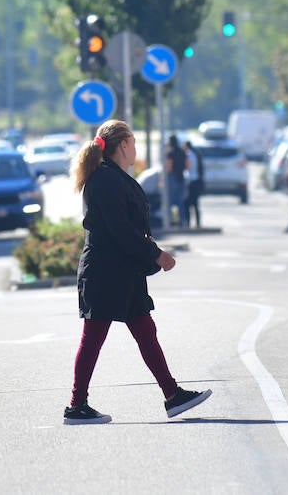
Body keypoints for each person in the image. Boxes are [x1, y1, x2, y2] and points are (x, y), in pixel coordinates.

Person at [63, 120, 211, 425]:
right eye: (133, 142)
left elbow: (128, 226)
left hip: (122, 272)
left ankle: (173, 395)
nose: (136, 149)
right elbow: (120, 230)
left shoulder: (114, 176)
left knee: (146, 332)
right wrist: (156, 255)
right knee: (93, 339)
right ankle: (76, 405)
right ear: (122, 145)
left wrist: (149, 252)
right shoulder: (104, 179)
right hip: (105, 273)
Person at [164, 133, 187, 228]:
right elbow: (187, 165)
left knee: (169, 201)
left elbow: (169, 168)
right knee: (180, 201)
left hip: (172, 177)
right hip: (181, 177)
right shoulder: (182, 152)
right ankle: (182, 222)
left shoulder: (170, 153)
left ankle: (169, 222)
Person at [183, 140, 204, 229]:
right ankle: (198, 223)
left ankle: (188, 223)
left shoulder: (188, 154)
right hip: (196, 180)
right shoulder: (196, 154)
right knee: (195, 204)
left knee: (187, 203)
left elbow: (188, 167)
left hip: (190, 181)